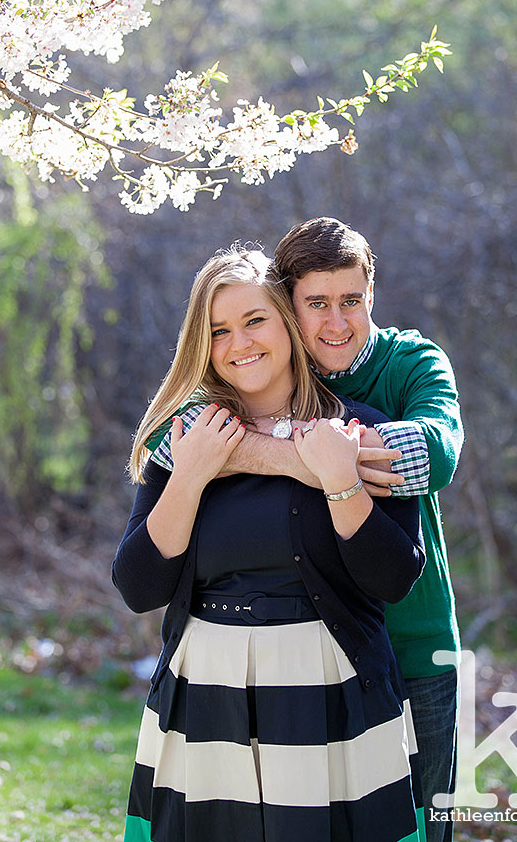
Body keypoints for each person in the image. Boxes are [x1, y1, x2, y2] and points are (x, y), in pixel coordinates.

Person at [149, 219, 464, 842]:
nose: (336, 324)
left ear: (372, 293)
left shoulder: (411, 363)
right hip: (323, 651)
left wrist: (251, 452)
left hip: (414, 639)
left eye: (351, 301)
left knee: (422, 826)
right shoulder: (269, 373)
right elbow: (166, 445)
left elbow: (435, 454)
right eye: (316, 304)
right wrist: (300, 451)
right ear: (288, 306)